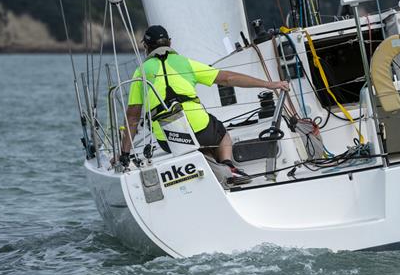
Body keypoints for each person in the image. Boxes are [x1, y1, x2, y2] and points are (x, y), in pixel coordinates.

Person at [120, 25, 288, 180]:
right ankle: (229, 166)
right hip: (201, 131)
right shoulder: (185, 63)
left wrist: (124, 154)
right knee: (220, 132)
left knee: (195, 143)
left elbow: (132, 117)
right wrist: (269, 84)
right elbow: (228, 78)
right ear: (170, 43)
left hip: (168, 139)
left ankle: (213, 169)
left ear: (146, 47)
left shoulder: (140, 72)